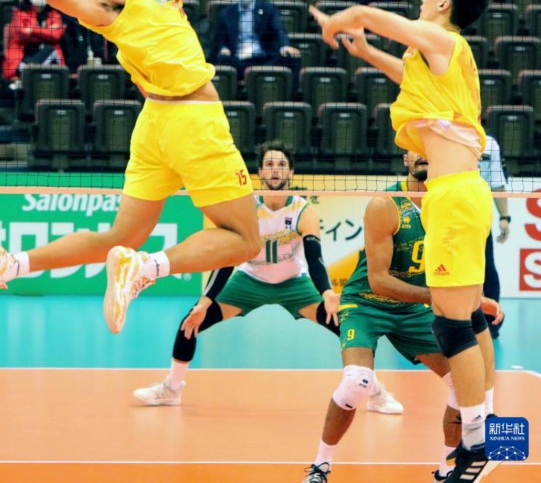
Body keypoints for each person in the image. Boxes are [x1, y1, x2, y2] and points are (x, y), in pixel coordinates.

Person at [0, 0, 261, 336]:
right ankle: (146, 267)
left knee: (118, 238)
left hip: (158, 120)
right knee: (245, 240)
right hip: (193, 123)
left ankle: (14, 264)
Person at [310, 0, 498, 481]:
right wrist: (367, 53)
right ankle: (488, 424)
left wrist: (343, 19)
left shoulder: (444, 40)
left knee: (452, 325)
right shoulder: (438, 61)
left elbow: (369, 15)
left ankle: (478, 440)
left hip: (455, 196)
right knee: (467, 317)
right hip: (453, 196)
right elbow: (408, 78)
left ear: (445, 6)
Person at [133, 141, 402, 415]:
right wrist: (205, 301)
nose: (275, 170)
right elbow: (227, 259)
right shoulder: (246, 209)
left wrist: (327, 294)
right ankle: (171, 388)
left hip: (294, 284)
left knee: (347, 327)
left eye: (281, 165)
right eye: (270, 164)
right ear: (260, 172)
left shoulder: (303, 211)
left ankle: (376, 394)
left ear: (291, 172)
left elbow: (314, 258)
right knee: (190, 321)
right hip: (249, 281)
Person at [303, 151, 504, 483]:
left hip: (413, 309)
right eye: (416, 147)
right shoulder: (385, 205)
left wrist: (475, 299)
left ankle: (448, 470)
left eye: (430, 147)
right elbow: (379, 281)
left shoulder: (452, 207)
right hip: (366, 303)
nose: (424, 153)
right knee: (356, 382)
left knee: (463, 383)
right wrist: (441, 299)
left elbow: (462, 264)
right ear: (405, 157)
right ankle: (320, 466)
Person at [209, 0, 301, 95]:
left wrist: (285, 46)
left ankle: (292, 96)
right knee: (222, 59)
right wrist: (223, 48)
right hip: (238, 61)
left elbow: (279, 30)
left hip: (265, 59)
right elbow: (219, 40)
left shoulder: (267, 8)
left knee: (292, 58)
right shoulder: (226, 13)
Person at [1, 0, 65, 86]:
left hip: (46, 59)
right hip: (22, 59)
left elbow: (56, 35)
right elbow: (23, 34)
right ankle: (27, 73)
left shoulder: (54, 14)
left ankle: (27, 75)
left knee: (50, 49)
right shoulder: (20, 13)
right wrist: (46, 32)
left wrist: (33, 30)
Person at [479, 134, 510, 340]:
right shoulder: (442, 136)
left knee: (487, 269)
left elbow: (497, 183)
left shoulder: (489, 143)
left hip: (479, 220)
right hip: (446, 218)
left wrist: (504, 217)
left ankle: (491, 324)